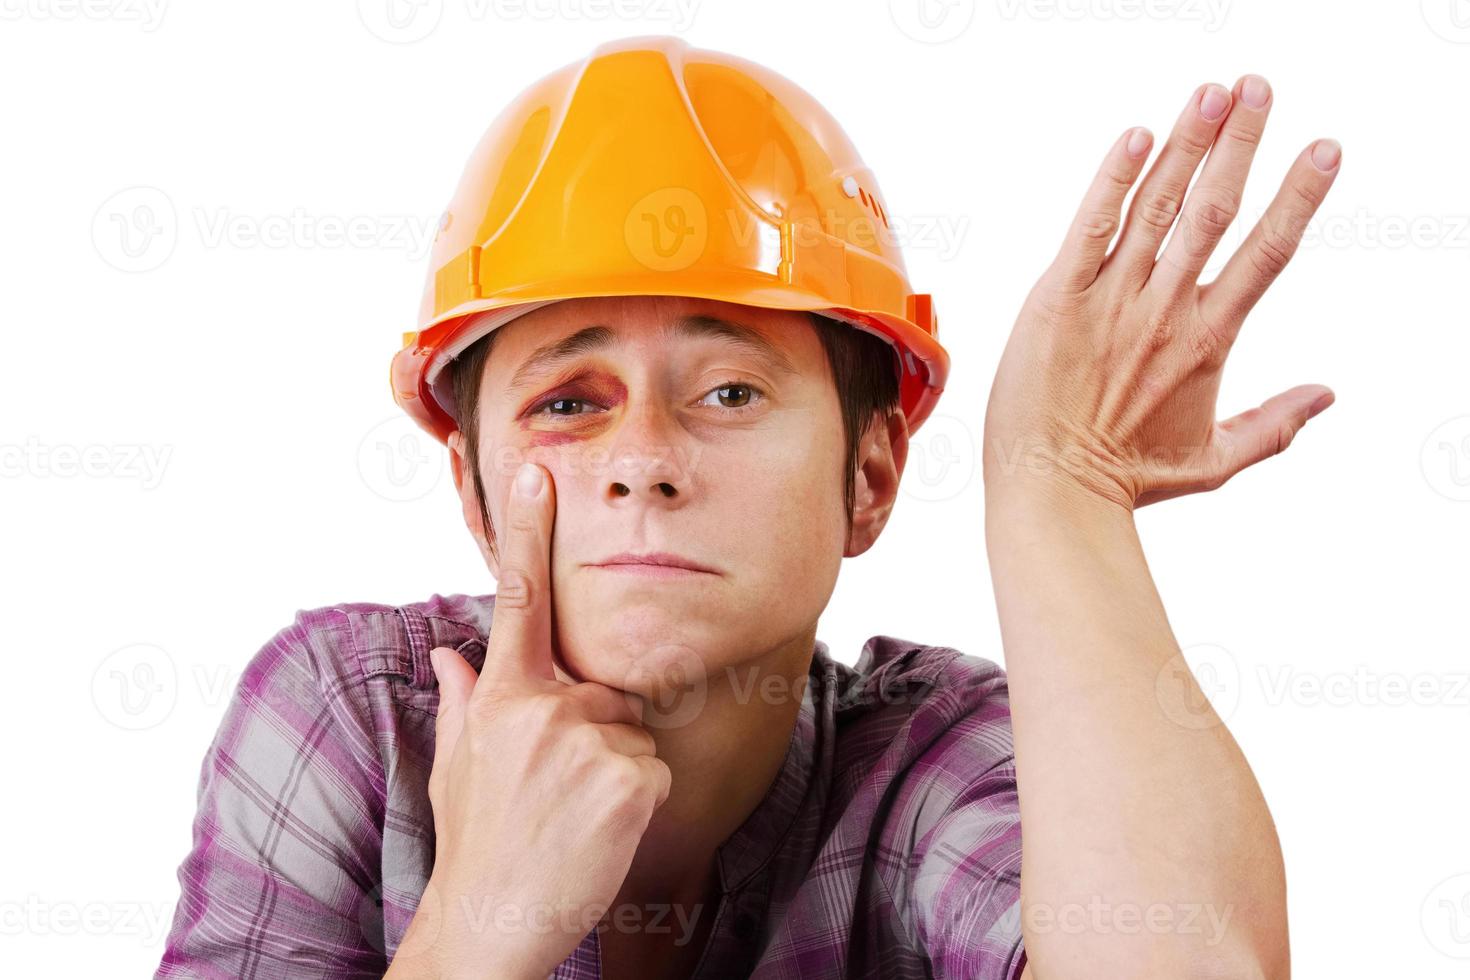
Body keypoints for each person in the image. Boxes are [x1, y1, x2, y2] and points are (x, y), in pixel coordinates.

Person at [156, 36, 1339, 980]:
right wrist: (481, 923)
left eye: (728, 390)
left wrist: (1061, 492)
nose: (644, 463)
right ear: (472, 487)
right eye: (569, 403)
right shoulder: (347, 717)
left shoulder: (935, 758)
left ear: (868, 478)